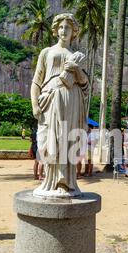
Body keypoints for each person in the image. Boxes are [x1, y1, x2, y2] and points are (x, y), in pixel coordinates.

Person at [31, 13, 88, 197]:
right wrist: (34, 104)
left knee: (67, 140)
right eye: (61, 27)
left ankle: (67, 182)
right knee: (48, 141)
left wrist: (76, 69)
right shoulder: (47, 52)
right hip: (51, 99)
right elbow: (36, 82)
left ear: (74, 32)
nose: (64, 31)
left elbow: (85, 85)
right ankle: (50, 182)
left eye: (68, 28)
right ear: (56, 30)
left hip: (72, 100)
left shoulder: (76, 56)